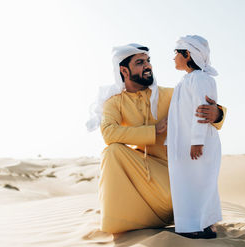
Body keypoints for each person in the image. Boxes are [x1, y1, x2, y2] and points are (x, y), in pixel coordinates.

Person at [86, 43, 226, 234]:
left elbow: (201, 107)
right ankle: (124, 220)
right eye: (140, 62)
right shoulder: (114, 102)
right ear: (124, 71)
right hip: (142, 174)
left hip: (173, 176)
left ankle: (185, 216)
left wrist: (217, 114)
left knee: (181, 187)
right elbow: (108, 133)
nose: (148, 66)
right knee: (112, 152)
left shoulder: (171, 95)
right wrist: (154, 130)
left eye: (148, 61)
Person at [166, 35, 222, 239]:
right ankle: (194, 225)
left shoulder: (200, 79)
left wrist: (197, 141)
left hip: (198, 145)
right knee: (188, 185)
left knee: (200, 185)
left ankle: (202, 226)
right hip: (186, 146)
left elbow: (202, 111)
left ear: (187, 54)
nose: (173, 58)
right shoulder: (187, 80)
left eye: (176, 54)